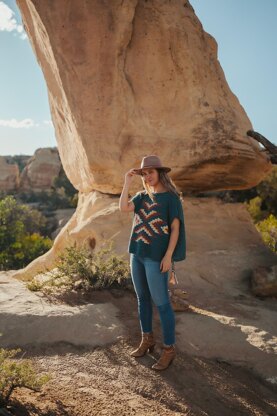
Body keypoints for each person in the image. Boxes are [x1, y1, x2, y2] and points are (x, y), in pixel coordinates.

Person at [119, 155, 186, 370]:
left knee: (162, 303)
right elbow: (123, 207)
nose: (147, 176)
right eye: (144, 173)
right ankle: (147, 340)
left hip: (156, 257)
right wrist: (127, 181)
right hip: (136, 254)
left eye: (151, 172)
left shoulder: (171, 199)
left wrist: (168, 256)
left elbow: (175, 229)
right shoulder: (141, 196)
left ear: (160, 173)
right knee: (142, 299)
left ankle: (169, 349)